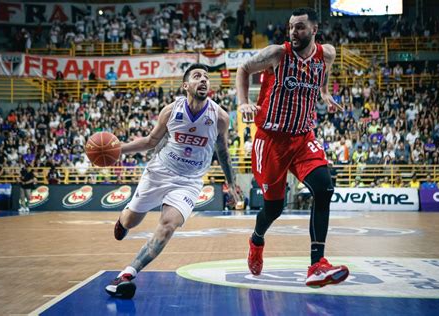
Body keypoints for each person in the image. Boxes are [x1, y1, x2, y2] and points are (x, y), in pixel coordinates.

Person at [105, 64, 240, 299]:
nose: (204, 80)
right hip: (159, 172)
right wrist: (118, 150)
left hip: (189, 181)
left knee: (168, 225)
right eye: (197, 76)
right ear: (185, 86)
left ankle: (127, 274)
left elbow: (224, 153)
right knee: (131, 220)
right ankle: (123, 219)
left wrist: (232, 184)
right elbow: (150, 141)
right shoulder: (170, 110)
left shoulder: (219, 117)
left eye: (207, 77)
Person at [236, 7, 349, 288]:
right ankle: (257, 239)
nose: (293, 32)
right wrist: (242, 102)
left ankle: (317, 264)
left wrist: (325, 95)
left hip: (302, 137)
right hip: (271, 139)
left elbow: (323, 78)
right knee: (273, 209)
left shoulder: (328, 53)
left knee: (324, 188)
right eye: (290, 28)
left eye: (299, 27)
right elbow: (243, 69)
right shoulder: (277, 53)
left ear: (314, 30)